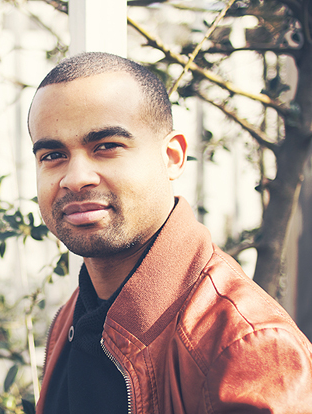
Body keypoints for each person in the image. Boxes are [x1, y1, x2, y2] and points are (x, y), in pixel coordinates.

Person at [28, 52, 312, 413]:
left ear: (173, 157)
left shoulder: (247, 346)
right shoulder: (75, 315)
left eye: (106, 147)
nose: (76, 177)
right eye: (53, 155)